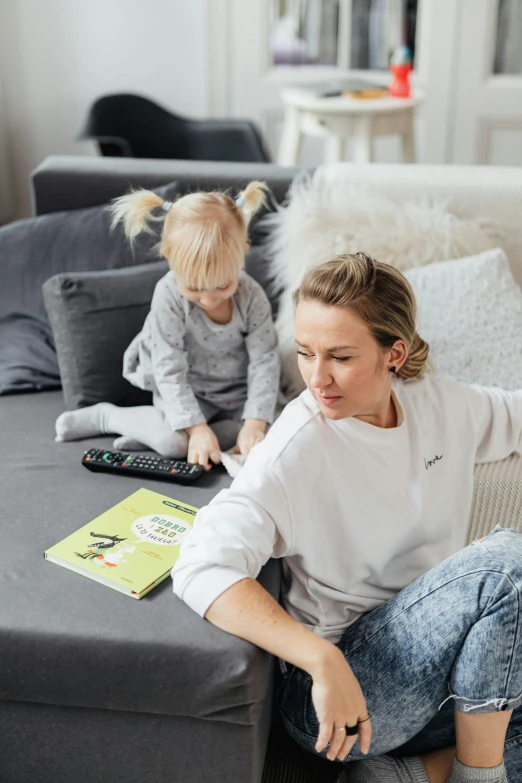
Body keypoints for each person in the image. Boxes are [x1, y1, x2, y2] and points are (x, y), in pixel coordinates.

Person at [171, 253, 522, 783]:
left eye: (339, 356)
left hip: (439, 678)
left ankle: (414, 774)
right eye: (306, 353)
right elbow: (199, 566)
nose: (316, 377)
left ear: (393, 354)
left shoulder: (443, 405)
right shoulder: (297, 443)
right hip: (340, 696)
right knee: (508, 568)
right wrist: (319, 659)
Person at [55, 182, 280, 468]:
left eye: (223, 284)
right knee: (175, 444)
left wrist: (255, 423)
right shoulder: (168, 296)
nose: (209, 299)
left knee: (269, 433)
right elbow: (169, 369)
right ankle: (109, 417)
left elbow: (265, 361)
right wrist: (196, 428)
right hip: (187, 390)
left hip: (237, 394)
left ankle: (148, 431)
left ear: (243, 252)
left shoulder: (251, 295)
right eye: (195, 287)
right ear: (169, 258)